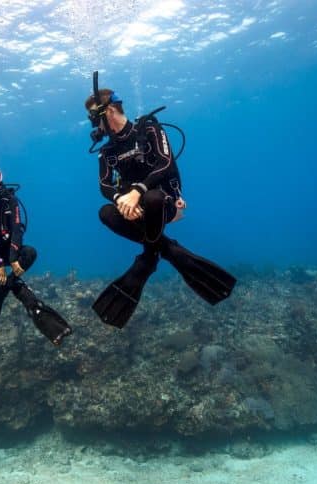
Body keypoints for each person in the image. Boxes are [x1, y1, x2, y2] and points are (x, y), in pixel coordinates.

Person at [84, 76, 237, 328]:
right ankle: (164, 251)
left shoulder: (150, 130)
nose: (91, 122)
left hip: (162, 203)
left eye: (93, 115)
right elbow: (104, 185)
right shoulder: (107, 151)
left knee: (153, 197)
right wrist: (120, 199)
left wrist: (138, 190)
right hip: (134, 211)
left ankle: (146, 258)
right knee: (105, 213)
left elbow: (166, 162)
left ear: (109, 110)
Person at [0, 158, 72, 350]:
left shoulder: (9, 200)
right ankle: (27, 298)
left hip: (11, 250)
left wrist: (12, 259)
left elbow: (17, 230)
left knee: (30, 252)